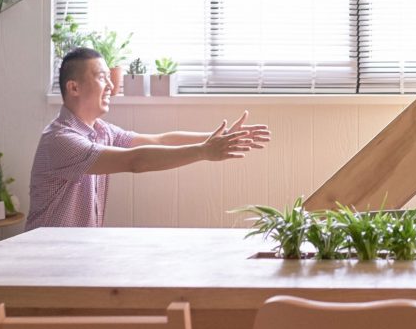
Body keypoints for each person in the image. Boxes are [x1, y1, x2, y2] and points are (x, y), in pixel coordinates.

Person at [26, 47, 270, 230]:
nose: (111, 85)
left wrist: (217, 137)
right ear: (74, 88)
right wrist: (204, 151)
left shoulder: (101, 131)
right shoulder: (61, 139)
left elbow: (158, 141)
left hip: (75, 256)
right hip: (46, 258)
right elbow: (136, 162)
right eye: (102, 77)